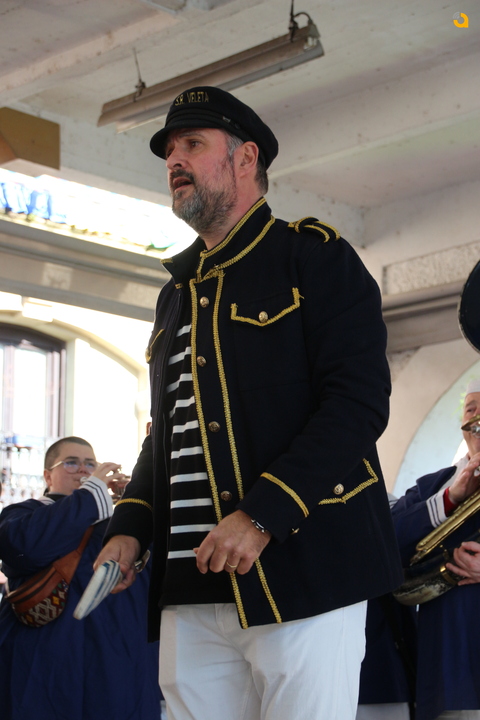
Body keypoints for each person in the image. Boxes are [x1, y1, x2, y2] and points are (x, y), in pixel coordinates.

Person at [96, 86, 403, 720]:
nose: (174, 160)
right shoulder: (175, 295)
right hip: (189, 585)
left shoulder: (312, 257)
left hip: (303, 571)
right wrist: (130, 526)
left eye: (193, 143)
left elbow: (358, 403)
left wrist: (262, 515)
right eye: (169, 150)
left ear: (245, 158)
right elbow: (168, 434)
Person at [0, 436, 162, 720]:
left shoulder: (119, 525)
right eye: (71, 463)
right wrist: (91, 495)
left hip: (118, 667)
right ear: (48, 476)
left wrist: (134, 507)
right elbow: (22, 546)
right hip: (43, 667)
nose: (83, 470)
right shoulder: (25, 513)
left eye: (90, 464)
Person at [392, 379, 480, 720]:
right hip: (449, 672)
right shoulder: (434, 484)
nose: (477, 417)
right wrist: (450, 498)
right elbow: (387, 542)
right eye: (471, 409)